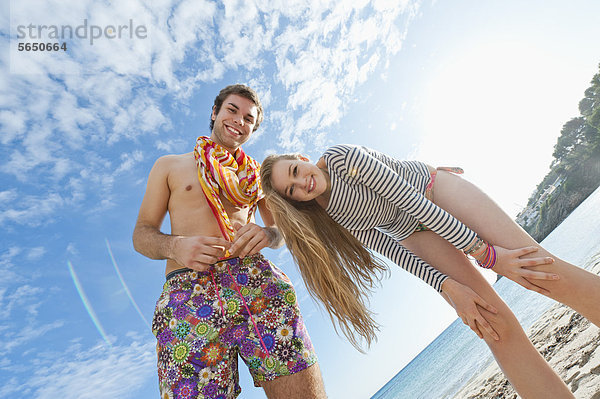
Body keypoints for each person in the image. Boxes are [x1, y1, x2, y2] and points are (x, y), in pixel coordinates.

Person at [259, 144, 600, 399]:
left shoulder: (340, 159)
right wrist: (448, 287)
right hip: (416, 235)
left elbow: (412, 201)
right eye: (292, 190)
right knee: (492, 324)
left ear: (301, 159)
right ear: (296, 202)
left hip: (432, 192)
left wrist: (489, 255)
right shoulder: (330, 213)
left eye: (294, 171)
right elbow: (391, 247)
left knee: (538, 271)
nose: (301, 182)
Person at [132, 84, 327, 399]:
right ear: (215, 113)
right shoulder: (170, 166)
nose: (239, 120)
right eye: (232, 110)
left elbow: (281, 231)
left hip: (256, 282)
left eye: (249, 118)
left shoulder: (257, 177)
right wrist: (175, 246)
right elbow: (141, 234)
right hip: (189, 294)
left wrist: (268, 234)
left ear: (252, 128)